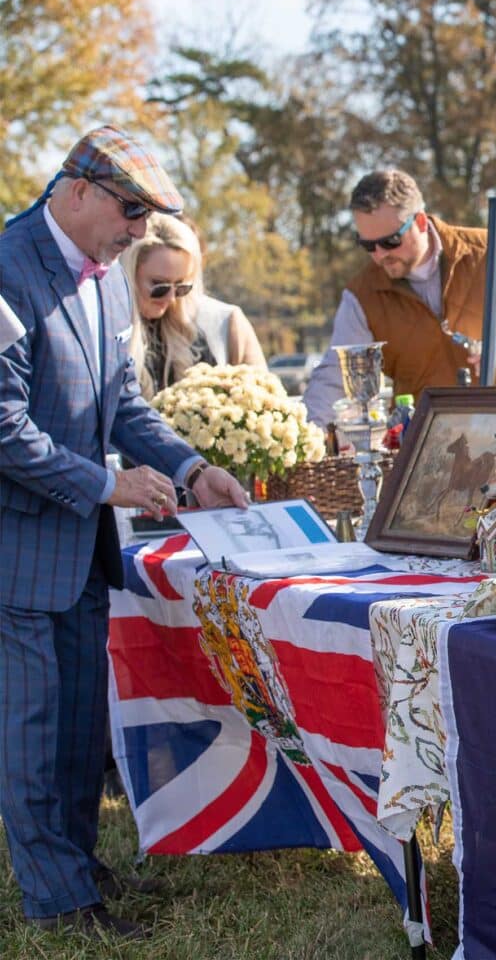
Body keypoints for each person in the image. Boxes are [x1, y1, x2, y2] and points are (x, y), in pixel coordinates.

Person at [0, 124, 248, 940]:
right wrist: (108, 484)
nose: (141, 230)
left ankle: (71, 863)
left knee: (76, 729)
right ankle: (58, 901)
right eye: (130, 209)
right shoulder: (7, 267)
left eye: (149, 214)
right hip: (18, 552)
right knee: (32, 733)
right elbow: (3, 428)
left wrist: (188, 469)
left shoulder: (106, 279)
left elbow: (123, 404)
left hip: (79, 553)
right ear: (75, 190)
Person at [303, 168, 487, 428]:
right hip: (425, 445)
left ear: (421, 222)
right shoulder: (361, 295)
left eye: (390, 242)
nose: (379, 255)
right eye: (368, 245)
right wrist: (305, 436)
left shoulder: (491, 251)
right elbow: (336, 376)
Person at [120, 213, 266, 400]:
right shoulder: (110, 337)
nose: (171, 298)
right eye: (160, 286)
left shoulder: (192, 337)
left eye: (181, 287)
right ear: (130, 276)